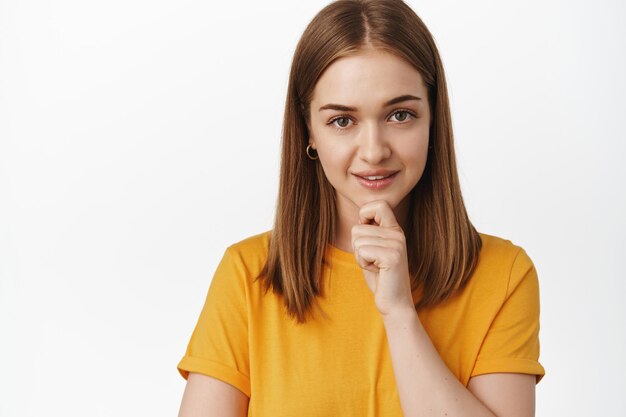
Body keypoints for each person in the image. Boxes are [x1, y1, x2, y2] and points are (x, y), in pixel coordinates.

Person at [176, 0, 545, 416]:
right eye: (342, 120)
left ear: (433, 119)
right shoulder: (248, 275)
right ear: (308, 131)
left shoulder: (503, 275)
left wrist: (399, 312)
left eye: (400, 115)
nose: (373, 151)